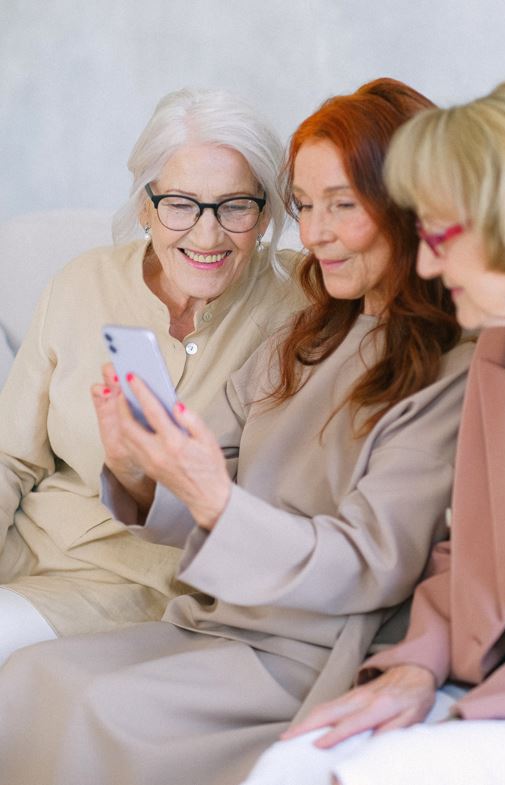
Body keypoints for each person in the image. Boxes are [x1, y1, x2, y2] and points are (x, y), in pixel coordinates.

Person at [0, 78, 473, 785]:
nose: (313, 233)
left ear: (409, 204)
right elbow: (204, 461)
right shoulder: (312, 329)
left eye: (340, 205)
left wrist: (212, 497)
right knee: (30, 676)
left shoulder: (446, 363)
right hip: (223, 613)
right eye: (306, 206)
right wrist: (138, 463)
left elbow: (372, 559)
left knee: (96, 701)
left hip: (308, 639)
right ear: (146, 205)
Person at [242, 79, 505, 785]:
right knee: (289, 765)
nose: (425, 262)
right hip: (485, 682)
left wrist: (484, 713)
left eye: (437, 234)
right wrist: (412, 664)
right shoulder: (502, 354)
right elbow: (460, 551)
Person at [0, 86, 307, 665]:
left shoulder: (303, 306)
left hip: (141, 590)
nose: (207, 235)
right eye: (180, 204)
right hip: (25, 549)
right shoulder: (81, 282)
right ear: (146, 206)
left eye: (235, 205)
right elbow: (10, 457)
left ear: (266, 213)